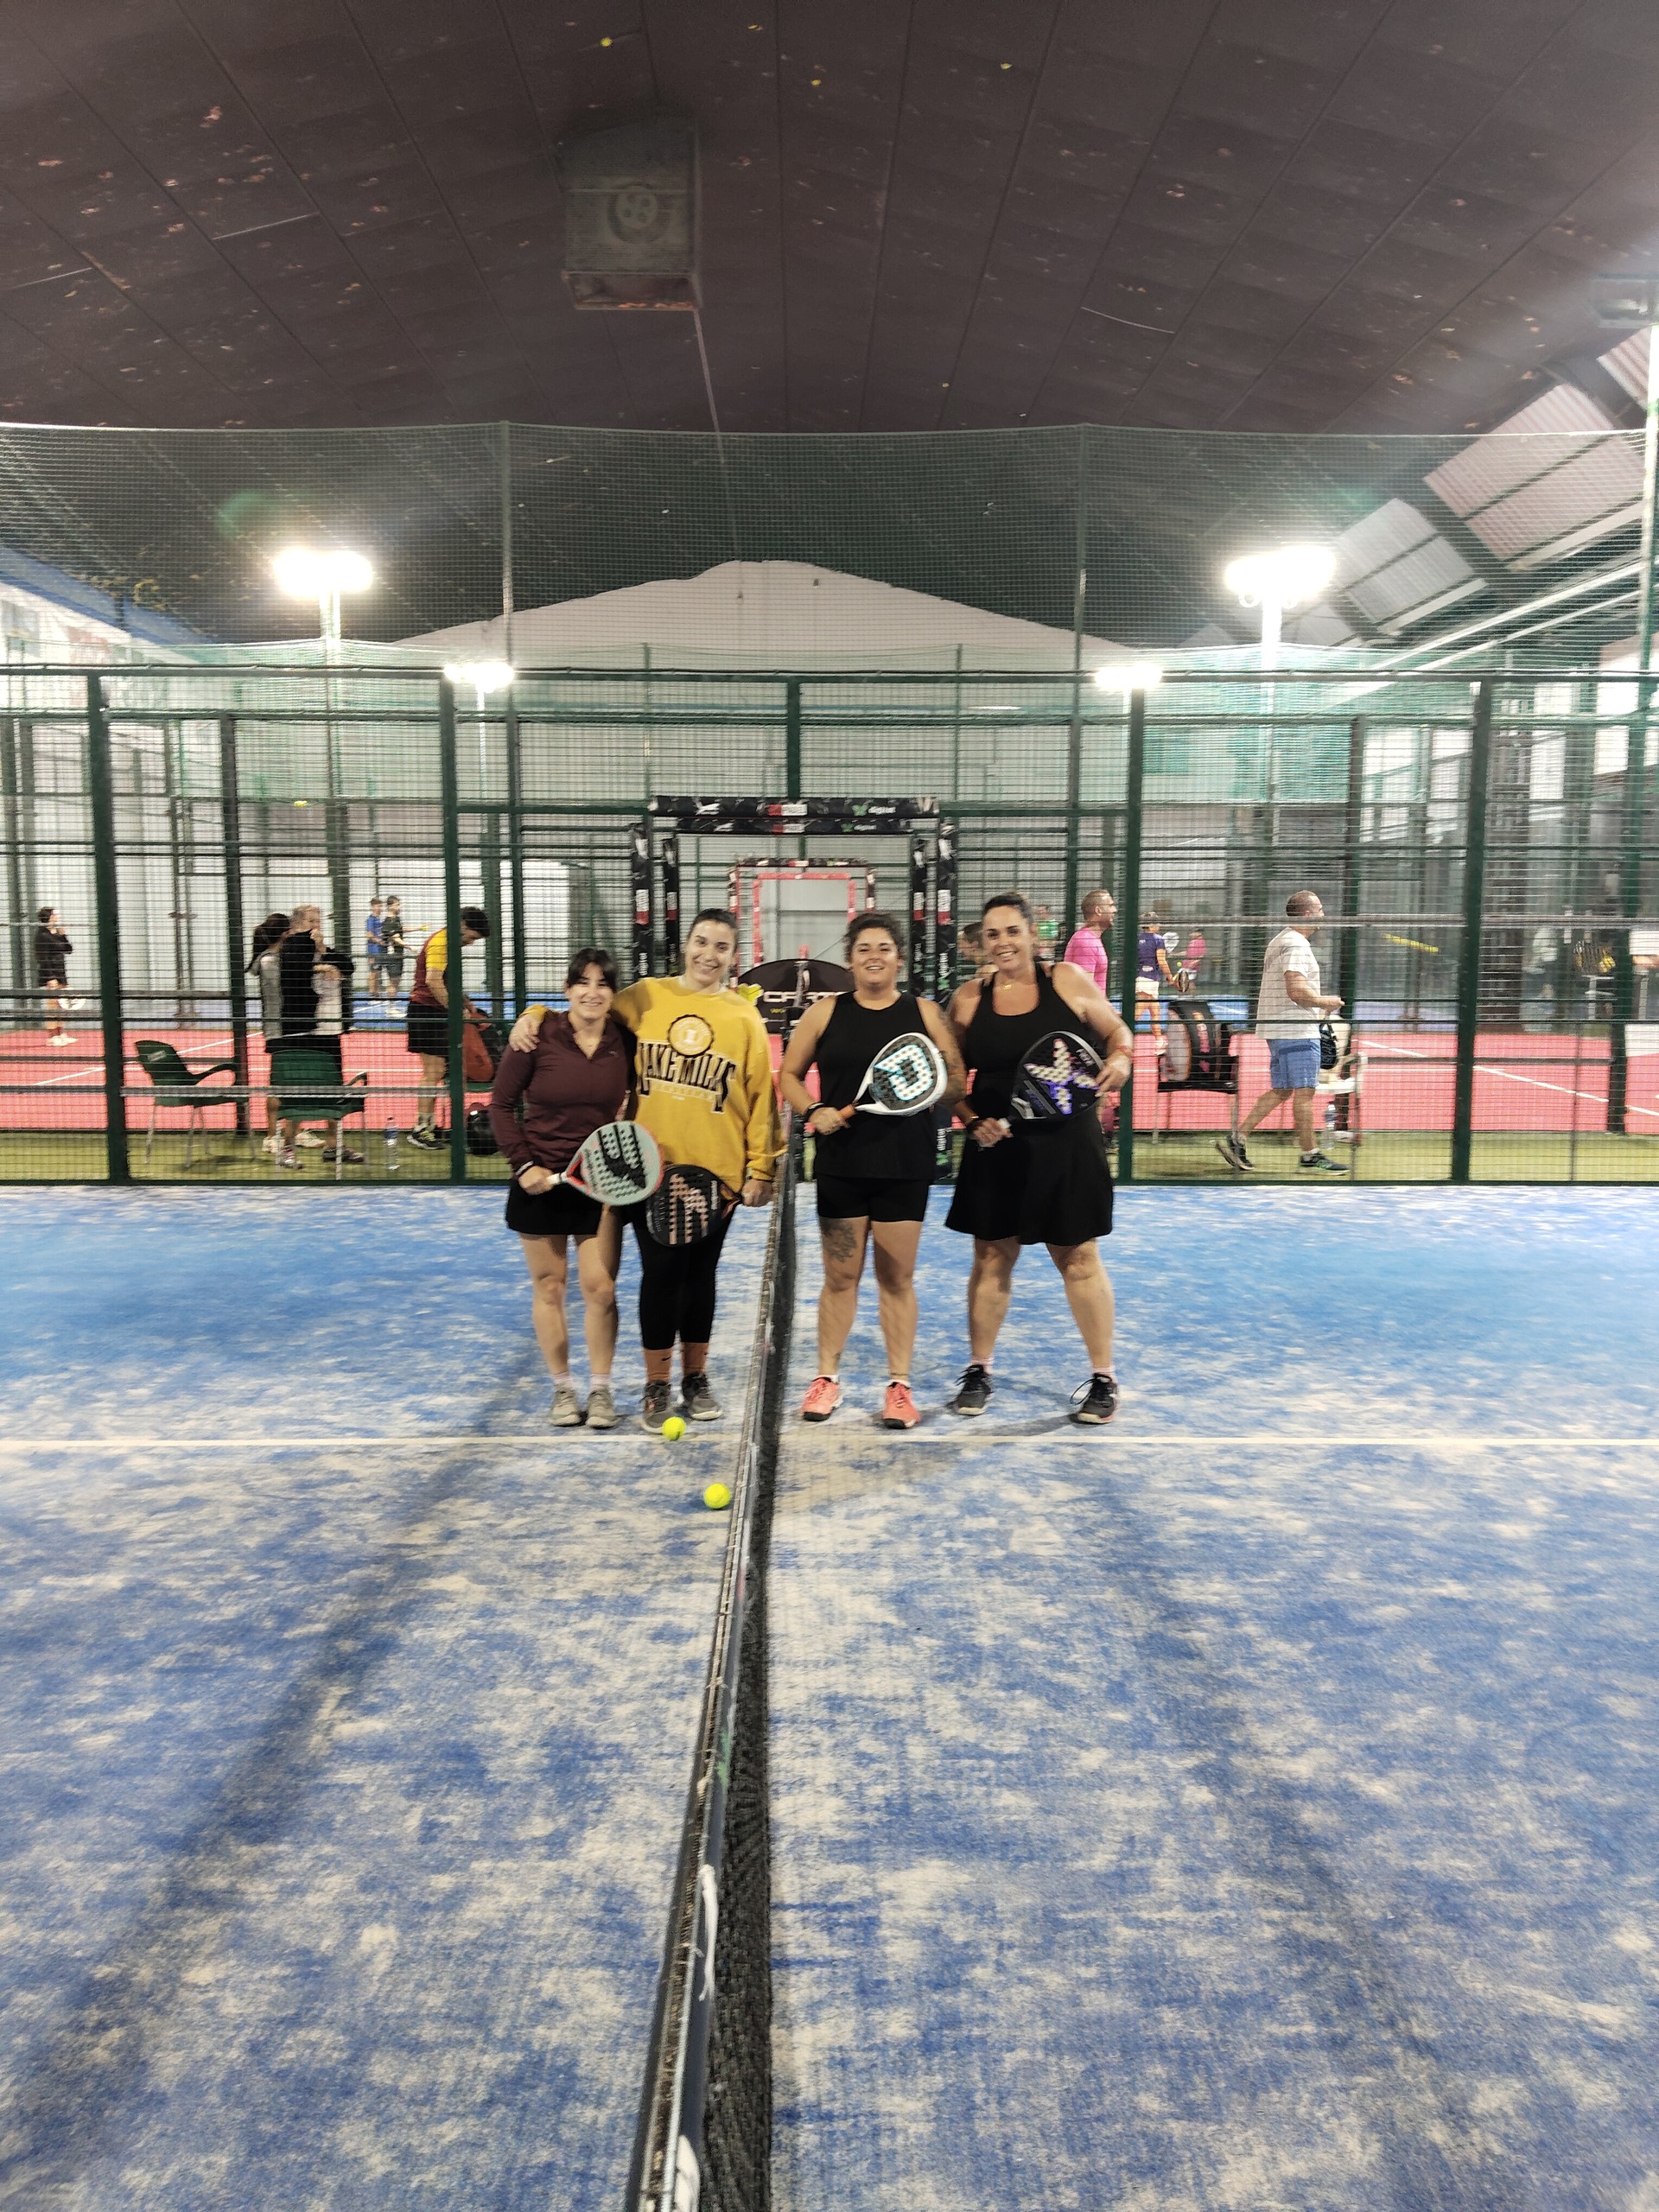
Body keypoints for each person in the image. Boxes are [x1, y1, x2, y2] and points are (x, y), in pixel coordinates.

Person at [512, 908, 781, 1433]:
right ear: (686, 945)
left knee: (701, 1277)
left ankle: (695, 1377)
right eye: (701, 942)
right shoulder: (646, 997)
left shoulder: (743, 1016)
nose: (709, 954)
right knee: (660, 1276)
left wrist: (762, 1167)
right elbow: (585, 1009)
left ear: (734, 956)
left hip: (717, 1175)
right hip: (647, 1171)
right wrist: (537, 1011)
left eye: (721, 947)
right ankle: (657, 1384)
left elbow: (760, 1097)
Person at [945, 892, 1134, 1426]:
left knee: (1078, 1258)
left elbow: (1117, 1032)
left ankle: (1103, 1378)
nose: (1003, 942)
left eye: (1012, 931)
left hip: (1067, 1144)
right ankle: (979, 1370)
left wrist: (1122, 1058)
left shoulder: (1067, 980)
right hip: (996, 1146)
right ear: (981, 943)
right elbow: (952, 1079)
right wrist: (970, 1119)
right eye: (992, 934)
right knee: (991, 1256)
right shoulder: (968, 999)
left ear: (1032, 935)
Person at [779, 911, 966, 1430]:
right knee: (840, 1278)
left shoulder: (924, 1013)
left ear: (899, 959)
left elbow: (954, 1085)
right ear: (850, 960)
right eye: (864, 949)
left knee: (896, 1279)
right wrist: (814, 1109)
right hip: (841, 1166)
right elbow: (790, 1076)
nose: (874, 957)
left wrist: (934, 1079)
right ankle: (826, 1379)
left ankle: (899, 1387)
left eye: (884, 948)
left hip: (904, 1167)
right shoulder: (825, 1013)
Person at [490, 949, 632, 1430]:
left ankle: (601, 1389)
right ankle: (563, 1389)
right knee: (550, 1286)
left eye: (603, 984)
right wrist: (523, 1164)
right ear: (567, 989)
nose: (593, 992)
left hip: (601, 1180)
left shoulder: (625, 1041)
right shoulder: (536, 1035)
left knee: (601, 1288)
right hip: (539, 1179)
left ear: (613, 993)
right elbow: (501, 1105)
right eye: (582, 983)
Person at [1216, 890, 1345, 1175]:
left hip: (1280, 1028)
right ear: (1308, 914)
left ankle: (1238, 1138)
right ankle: (1310, 1156)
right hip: (1295, 1030)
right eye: (1320, 910)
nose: (1323, 915)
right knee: (1305, 1093)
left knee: (1282, 1090)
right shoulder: (1296, 944)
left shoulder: (1282, 940)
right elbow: (1296, 990)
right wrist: (1326, 1002)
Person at [275, 903, 360, 1166]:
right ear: (296, 924)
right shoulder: (290, 948)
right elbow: (292, 970)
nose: (316, 926)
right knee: (298, 1092)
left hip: (329, 1032)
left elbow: (349, 966)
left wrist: (323, 951)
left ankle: (334, 1146)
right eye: (311, 921)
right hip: (302, 1031)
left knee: (333, 1088)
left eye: (318, 921)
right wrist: (320, 967)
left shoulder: (321, 949)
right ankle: (287, 1148)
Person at [406, 906, 490, 1149]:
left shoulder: (449, 944)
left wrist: (464, 1001)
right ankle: (420, 1130)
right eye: (471, 937)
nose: (471, 943)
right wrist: (456, 1009)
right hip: (426, 1012)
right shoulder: (441, 942)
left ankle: (430, 1127)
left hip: (435, 1012)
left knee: (439, 1072)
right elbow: (433, 981)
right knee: (432, 1073)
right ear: (462, 925)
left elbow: (446, 980)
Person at [249, 910, 291, 1155]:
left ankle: (293, 1132)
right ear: (285, 934)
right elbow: (283, 987)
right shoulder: (269, 961)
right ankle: (271, 1136)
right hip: (278, 1030)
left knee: (295, 1082)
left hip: (291, 1028)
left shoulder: (282, 958)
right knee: (278, 1083)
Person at [34, 906, 75, 1046]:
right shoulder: (42, 935)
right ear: (49, 917)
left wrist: (63, 935)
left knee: (61, 1004)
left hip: (60, 972)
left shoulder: (56, 933)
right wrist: (50, 977)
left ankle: (60, 1033)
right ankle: (52, 1036)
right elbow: (42, 958)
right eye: (55, 914)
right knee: (52, 1005)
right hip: (51, 974)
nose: (58, 916)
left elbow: (68, 949)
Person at [1062, 889, 1115, 996]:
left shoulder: (1091, 939)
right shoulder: (1086, 941)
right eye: (1110, 906)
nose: (1114, 910)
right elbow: (1084, 990)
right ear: (1098, 911)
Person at [1135, 910, 1174, 1046]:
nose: (1159, 925)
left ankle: (1159, 1042)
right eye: (1157, 922)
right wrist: (1170, 977)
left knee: (1155, 1011)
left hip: (1142, 978)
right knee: (1136, 1014)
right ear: (1151, 924)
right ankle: (1120, 1039)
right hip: (1149, 980)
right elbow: (1161, 961)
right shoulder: (1158, 939)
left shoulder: (1137, 939)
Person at [380, 896, 406, 1004]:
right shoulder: (388, 922)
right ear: (390, 906)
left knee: (397, 981)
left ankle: (392, 1002)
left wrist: (419, 928)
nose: (399, 907)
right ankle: (391, 1007)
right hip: (392, 956)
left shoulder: (396, 920)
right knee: (393, 982)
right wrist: (411, 946)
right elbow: (396, 937)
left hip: (399, 955)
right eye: (397, 905)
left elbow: (401, 930)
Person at [365, 896, 386, 999]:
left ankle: (376, 992)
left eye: (381, 906)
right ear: (373, 907)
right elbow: (369, 934)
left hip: (379, 950)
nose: (380, 908)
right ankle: (372, 993)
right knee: (373, 971)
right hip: (373, 950)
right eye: (378, 906)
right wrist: (378, 940)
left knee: (378, 971)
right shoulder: (371, 919)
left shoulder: (378, 920)